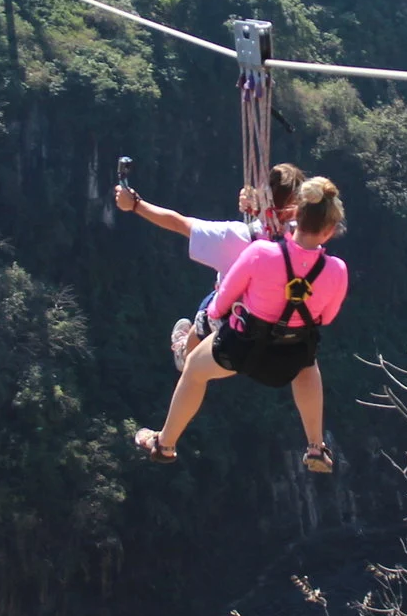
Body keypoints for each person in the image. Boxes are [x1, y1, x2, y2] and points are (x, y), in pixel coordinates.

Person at [136, 177, 348, 473]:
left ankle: (165, 444)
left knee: (194, 371)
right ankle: (315, 446)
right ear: (329, 231)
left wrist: (215, 319)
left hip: (240, 347)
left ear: (295, 217)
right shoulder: (337, 270)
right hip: (289, 355)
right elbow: (327, 317)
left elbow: (221, 302)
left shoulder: (260, 253)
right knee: (308, 366)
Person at [114, 162, 306, 367]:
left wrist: (135, 204)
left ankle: (184, 350)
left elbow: (179, 223)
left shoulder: (236, 236)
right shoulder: (305, 241)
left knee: (208, 312)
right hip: (284, 325)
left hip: (237, 325)